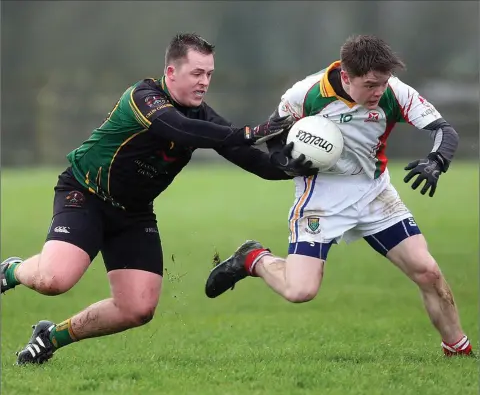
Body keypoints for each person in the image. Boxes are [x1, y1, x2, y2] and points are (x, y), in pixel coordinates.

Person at [1, 33, 314, 365]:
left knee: (137, 309)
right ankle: (10, 271)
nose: (204, 82)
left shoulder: (202, 117)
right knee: (53, 281)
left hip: (134, 215)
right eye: (197, 73)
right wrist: (251, 132)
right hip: (86, 194)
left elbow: (251, 159)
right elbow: (176, 128)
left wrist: (291, 165)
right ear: (171, 72)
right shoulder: (143, 96)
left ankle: (49, 338)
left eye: (209, 74)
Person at [205, 34, 474, 357]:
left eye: (383, 83)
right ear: (346, 77)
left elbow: (445, 130)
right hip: (322, 196)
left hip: (374, 194)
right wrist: (283, 161)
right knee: (300, 291)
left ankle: (457, 349)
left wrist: (437, 160)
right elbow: (274, 134)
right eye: (371, 84)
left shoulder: (395, 92)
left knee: (427, 271)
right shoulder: (305, 94)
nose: (379, 92)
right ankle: (252, 258)